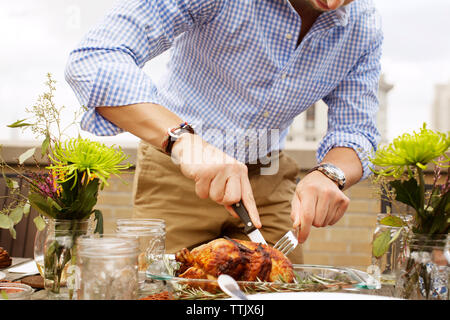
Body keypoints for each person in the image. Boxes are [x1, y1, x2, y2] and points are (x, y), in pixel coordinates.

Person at [65, 0, 383, 263]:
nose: (331, 3)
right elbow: (95, 58)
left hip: (271, 183)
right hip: (177, 173)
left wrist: (330, 173)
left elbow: (357, 131)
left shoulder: (363, 26)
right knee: (164, 288)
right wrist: (187, 145)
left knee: (277, 291)